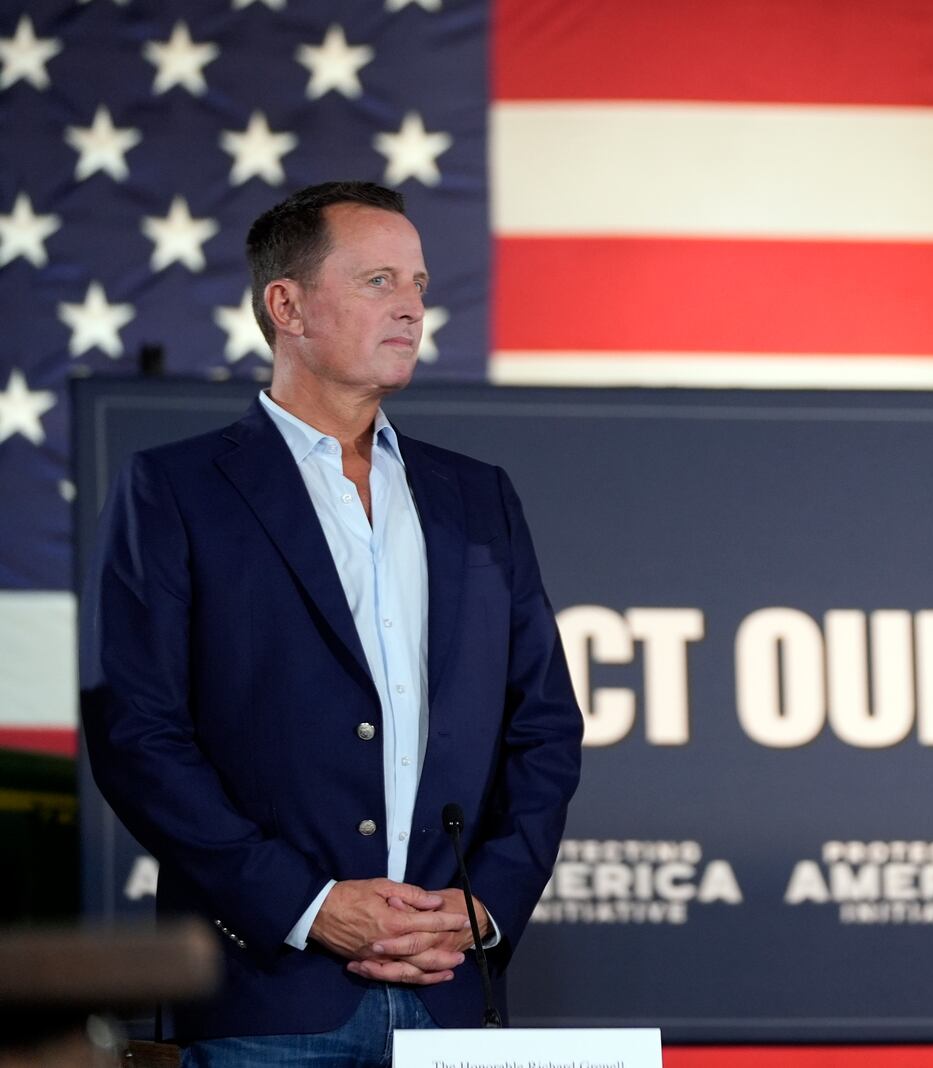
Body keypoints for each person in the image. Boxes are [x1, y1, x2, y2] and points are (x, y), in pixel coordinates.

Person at [81, 181, 584, 1064]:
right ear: (288, 305)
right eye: (380, 281)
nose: (412, 309)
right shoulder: (177, 490)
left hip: (447, 994)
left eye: (421, 285)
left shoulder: (478, 497)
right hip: (266, 1002)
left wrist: (485, 903)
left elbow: (543, 725)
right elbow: (138, 733)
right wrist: (308, 907)